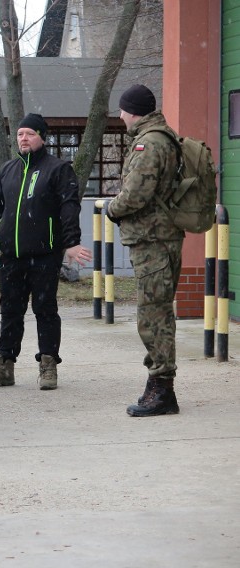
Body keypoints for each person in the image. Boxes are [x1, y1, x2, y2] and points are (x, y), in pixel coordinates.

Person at [0, 113, 92, 391]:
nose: (23, 139)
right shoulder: (8, 170)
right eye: (19, 134)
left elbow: (69, 207)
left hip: (44, 254)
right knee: (10, 310)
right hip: (11, 255)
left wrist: (71, 242)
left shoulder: (58, 169)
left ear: (42, 137)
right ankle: (4, 364)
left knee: (45, 309)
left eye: (29, 133)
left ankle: (48, 364)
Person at [106, 84, 184, 417]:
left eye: (123, 109)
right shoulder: (163, 137)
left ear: (133, 110)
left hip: (153, 240)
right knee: (158, 313)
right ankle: (160, 386)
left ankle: (162, 389)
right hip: (162, 238)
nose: (120, 115)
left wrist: (111, 208)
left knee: (153, 317)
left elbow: (135, 195)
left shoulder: (148, 143)